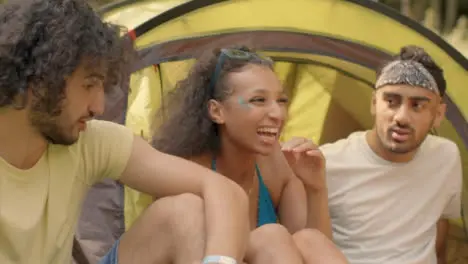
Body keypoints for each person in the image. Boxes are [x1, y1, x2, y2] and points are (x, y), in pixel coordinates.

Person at [0, 1, 251, 264]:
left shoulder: (89, 142)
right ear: (38, 80)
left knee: (186, 213)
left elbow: (223, 190)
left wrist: (219, 260)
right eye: (88, 85)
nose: (98, 106)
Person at [150, 46, 348, 264]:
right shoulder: (186, 173)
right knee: (271, 238)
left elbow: (314, 251)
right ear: (217, 111)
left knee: (308, 239)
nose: (277, 114)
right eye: (259, 100)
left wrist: (315, 188)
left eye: (281, 101)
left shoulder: (276, 163)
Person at [320, 45, 463, 264]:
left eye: (417, 106)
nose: (401, 117)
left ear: (438, 114)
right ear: (374, 103)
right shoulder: (328, 162)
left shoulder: (446, 157)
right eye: (391, 102)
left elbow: (439, 221)